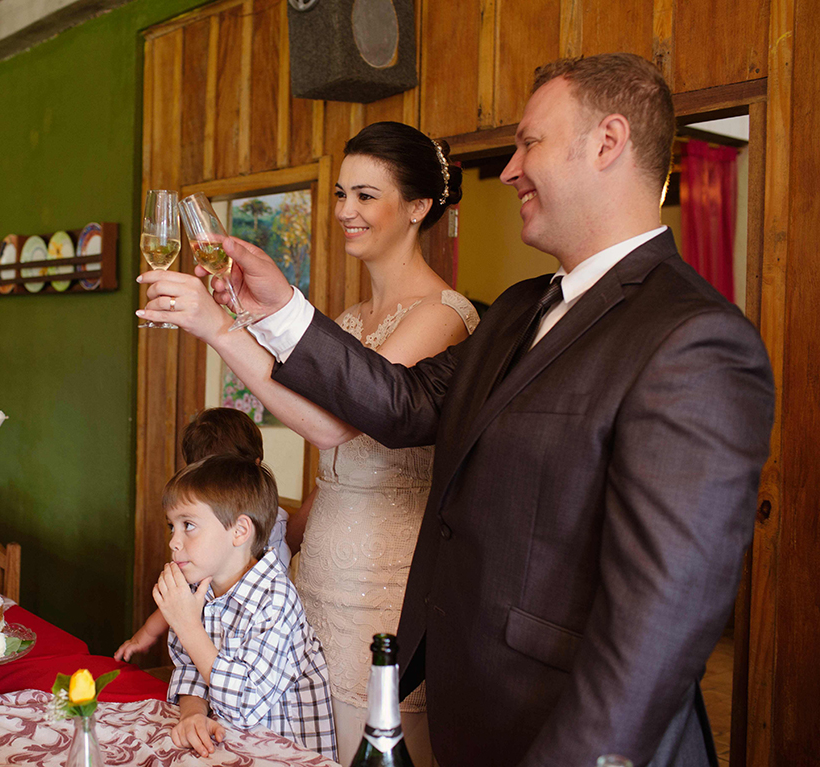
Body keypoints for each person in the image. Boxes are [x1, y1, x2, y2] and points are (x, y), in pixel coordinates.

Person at [140, 53, 775, 766]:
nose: (506, 170)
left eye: (529, 142)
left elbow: (661, 622)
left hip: (565, 730)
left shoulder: (694, 337)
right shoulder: (513, 310)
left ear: (608, 142)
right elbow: (401, 403)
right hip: (460, 697)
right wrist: (280, 309)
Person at [139, 121, 474, 765]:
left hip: (385, 578)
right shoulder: (347, 322)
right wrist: (234, 323)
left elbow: (338, 428)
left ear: (418, 207)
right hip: (316, 569)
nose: (346, 210)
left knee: (373, 741)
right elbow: (311, 433)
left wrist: (218, 328)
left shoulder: (442, 316)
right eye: (342, 193)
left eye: (367, 196)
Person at [155, 454, 336, 759]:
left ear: (239, 531)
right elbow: (189, 667)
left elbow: (245, 705)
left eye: (188, 525)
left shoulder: (274, 598)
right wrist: (192, 714)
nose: (174, 541)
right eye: (171, 526)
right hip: (228, 745)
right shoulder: (197, 587)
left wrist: (188, 625)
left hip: (282, 754)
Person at [115, 407, 291, 661]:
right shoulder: (199, 549)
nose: (174, 542)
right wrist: (146, 634)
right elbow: (181, 594)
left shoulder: (273, 588)